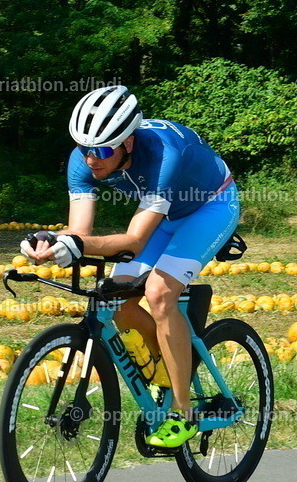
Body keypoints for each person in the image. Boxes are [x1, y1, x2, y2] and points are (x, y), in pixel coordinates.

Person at [20, 85, 240, 447]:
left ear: (129, 143)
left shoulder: (162, 156)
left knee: (159, 293)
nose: (93, 159)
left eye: (104, 150)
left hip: (209, 208)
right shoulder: (84, 159)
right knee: (115, 294)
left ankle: (181, 413)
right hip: (166, 215)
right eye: (85, 148)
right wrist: (49, 240)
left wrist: (74, 245)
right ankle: (168, 373)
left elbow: (135, 240)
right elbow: (80, 232)